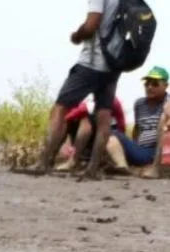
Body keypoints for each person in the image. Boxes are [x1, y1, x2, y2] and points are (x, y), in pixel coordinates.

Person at [30, 0, 122, 179]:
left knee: (60, 108)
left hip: (91, 63)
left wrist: (77, 36)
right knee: (104, 116)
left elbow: (92, 24)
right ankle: (92, 169)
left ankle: (43, 162)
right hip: (114, 63)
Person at [107, 66, 170, 178]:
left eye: (155, 84)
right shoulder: (139, 104)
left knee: (163, 120)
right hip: (140, 150)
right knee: (110, 133)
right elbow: (138, 128)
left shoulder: (168, 103)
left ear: (165, 86)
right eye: (147, 84)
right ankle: (123, 166)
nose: (150, 87)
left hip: (158, 151)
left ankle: (156, 167)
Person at [56, 96, 126, 172]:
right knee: (68, 121)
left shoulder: (109, 98)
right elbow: (70, 114)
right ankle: (52, 157)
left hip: (106, 135)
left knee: (85, 119)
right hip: (87, 135)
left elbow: (82, 110)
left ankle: (73, 161)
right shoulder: (77, 97)